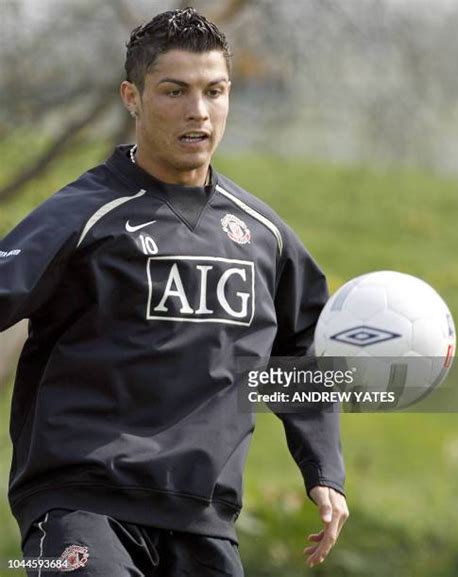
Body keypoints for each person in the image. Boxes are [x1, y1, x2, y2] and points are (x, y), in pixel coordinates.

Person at [0, 7, 348, 576]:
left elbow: (303, 350)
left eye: (215, 91)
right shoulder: (85, 214)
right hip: (80, 506)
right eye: (174, 91)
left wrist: (324, 471)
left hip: (205, 521)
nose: (198, 111)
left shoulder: (265, 237)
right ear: (131, 97)